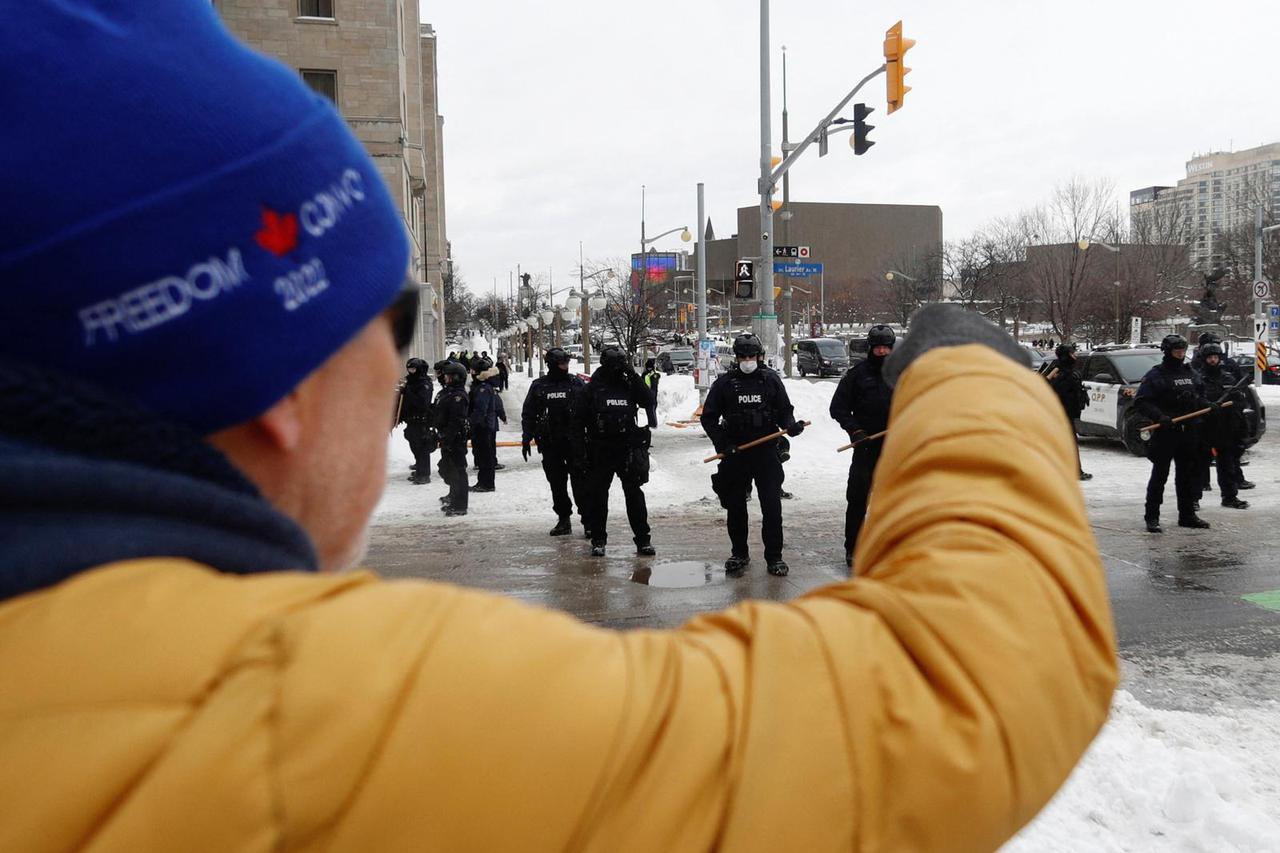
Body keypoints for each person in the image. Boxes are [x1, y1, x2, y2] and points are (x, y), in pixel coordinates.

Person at [1, 8, 1116, 849]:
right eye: (390, 317)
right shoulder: (308, 719)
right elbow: (957, 695)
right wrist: (976, 379)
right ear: (276, 382)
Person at [701, 333, 805, 577]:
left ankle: (774, 557)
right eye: (743, 357)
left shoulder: (771, 380)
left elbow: (784, 411)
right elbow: (709, 418)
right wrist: (723, 444)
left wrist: (791, 426)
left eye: (752, 356)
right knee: (736, 506)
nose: (748, 361)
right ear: (736, 358)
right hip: (736, 452)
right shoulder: (725, 384)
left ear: (759, 357)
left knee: (771, 506)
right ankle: (739, 553)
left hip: (766, 451)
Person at [829, 325, 894, 568]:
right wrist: (854, 430)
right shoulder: (857, 375)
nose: (882, 352)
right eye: (878, 348)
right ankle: (854, 548)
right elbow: (838, 408)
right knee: (857, 499)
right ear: (870, 348)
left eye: (886, 348)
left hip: (895, 449)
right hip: (866, 447)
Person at [1134, 334, 1214, 532]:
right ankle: (1152, 517)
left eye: (1182, 351)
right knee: (1160, 475)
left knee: (1186, 475)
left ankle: (1187, 515)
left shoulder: (1190, 372)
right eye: (1176, 351)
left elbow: (1199, 395)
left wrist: (1208, 405)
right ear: (1167, 352)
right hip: (1166, 432)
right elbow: (1142, 401)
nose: (1180, 354)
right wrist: (1159, 416)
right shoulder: (1156, 374)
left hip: (1189, 431)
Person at [583, 345, 656, 557]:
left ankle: (643, 540)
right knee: (598, 497)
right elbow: (578, 420)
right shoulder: (593, 388)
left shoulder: (628, 384)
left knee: (634, 496)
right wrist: (580, 452)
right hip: (600, 448)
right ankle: (598, 540)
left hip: (627, 448)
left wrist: (632, 375)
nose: (617, 369)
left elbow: (649, 400)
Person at [521, 347, 591, 536]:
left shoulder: (576, 383)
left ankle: (588, 521)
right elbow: (529, 414)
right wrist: (526, 437)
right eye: (561, 363)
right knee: (557, 484)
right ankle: (563, 519)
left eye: (566, 362)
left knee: (581, 483)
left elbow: (588, 410)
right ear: (552, 364)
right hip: (551, 443)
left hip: (575, 443)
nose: (565, 366)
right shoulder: (539, 386)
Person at [1194, 342, 1251, 510]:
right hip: (1205, 427)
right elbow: (1193, 401)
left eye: (1215, 357)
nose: (1213, 360)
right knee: (1199, 466)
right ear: (1204, 359)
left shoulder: (1228, 378)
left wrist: (1236, 399)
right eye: (1210, 358)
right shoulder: (1197, 379)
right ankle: (1193, 499)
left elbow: (1240, 403)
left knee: (1227, 465)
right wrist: (1207, 405)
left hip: (1225, 428)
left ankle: (1229, 497)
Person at [1043, 343, 1092, 481]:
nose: (1075, 355)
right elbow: (1055, 390)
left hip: (1066, 412)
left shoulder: (1067, 369)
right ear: (1066, 355)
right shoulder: (1059, 370)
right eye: (1072, 352)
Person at [435, 361, 471, 515]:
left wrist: (447, 437)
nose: (446, 379)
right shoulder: (447, 392)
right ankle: (454, 497)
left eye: (449, 377)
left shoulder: (458, 396)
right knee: (448, 468)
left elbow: (456, 420)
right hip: (447, 436)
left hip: (455, 438)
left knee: (458, 471)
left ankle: (460, 505)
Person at [468, 356, 505, 493]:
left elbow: (480, 409)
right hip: (485, 425)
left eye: (473, 371)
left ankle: (486, 483)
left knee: (485, 456)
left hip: (483, 426)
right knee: (484, 455)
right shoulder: (483, 387)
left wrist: (472, 423)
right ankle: (483, 482)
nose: (471, 373)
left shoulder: (483, 388)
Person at [399, 357, 436, 484]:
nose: (411, 371)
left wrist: (407, 391)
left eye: (413, 369)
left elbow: (422, 403)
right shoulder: (410, 381)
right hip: (411, 420)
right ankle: (420, 469)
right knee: (414, 445)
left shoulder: (424, 383)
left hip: (420, 420)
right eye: (409, 369)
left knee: (422, 448)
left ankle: (424, 474)